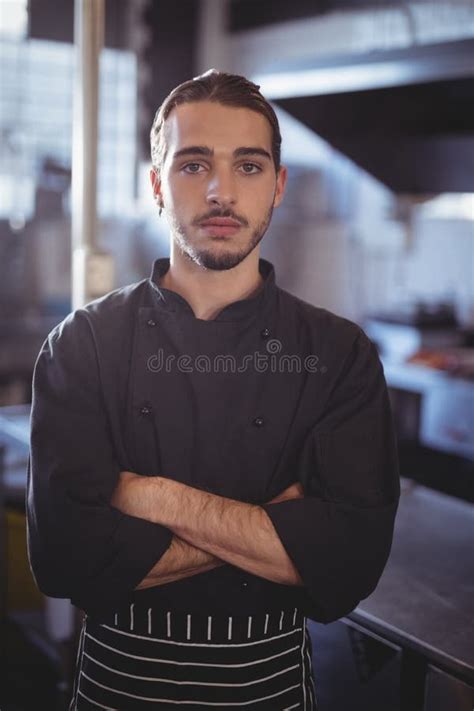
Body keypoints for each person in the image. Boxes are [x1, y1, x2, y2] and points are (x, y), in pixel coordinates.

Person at [26, 70, 400, 710]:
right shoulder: (82, 344)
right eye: (194, 165)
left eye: (249, 167)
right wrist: (278, 531)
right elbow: (66, 561)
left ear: (278, 186)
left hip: (270, 690)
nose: (222, 191)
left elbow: (350, 562)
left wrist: (152, 496)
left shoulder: (339, 356)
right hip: (118, 689)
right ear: (156, 185)